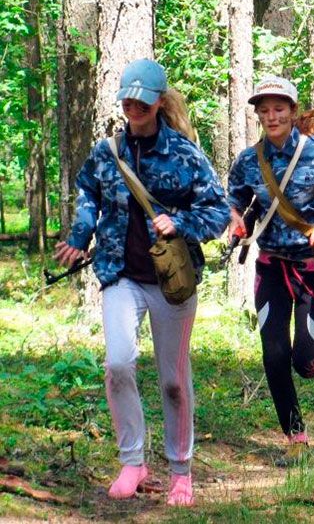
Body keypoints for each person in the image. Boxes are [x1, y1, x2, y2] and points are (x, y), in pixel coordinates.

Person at [54, 59, 230, 506]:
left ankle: (180, 471)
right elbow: (87, 191)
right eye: (128, 101)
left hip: (172, 282)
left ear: (158, 103)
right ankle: (133, 462)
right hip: (120, 275)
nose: (134, 109)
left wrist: (181, 222)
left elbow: (217, 212)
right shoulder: (106, 151)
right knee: (118, 364)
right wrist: (79, 235)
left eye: (142, 102)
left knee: (173, 380)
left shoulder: (185, 153)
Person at [227, 76, 314, 458]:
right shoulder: (249, 161)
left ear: (293, 111)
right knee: (272, 353)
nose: (272, 117)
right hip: (269, 267)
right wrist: (237, 221)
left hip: (310, 269)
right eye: (265, 110)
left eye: (279, 109)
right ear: (258, 115)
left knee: (307, 362)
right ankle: (295, 438)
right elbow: (233, 199)